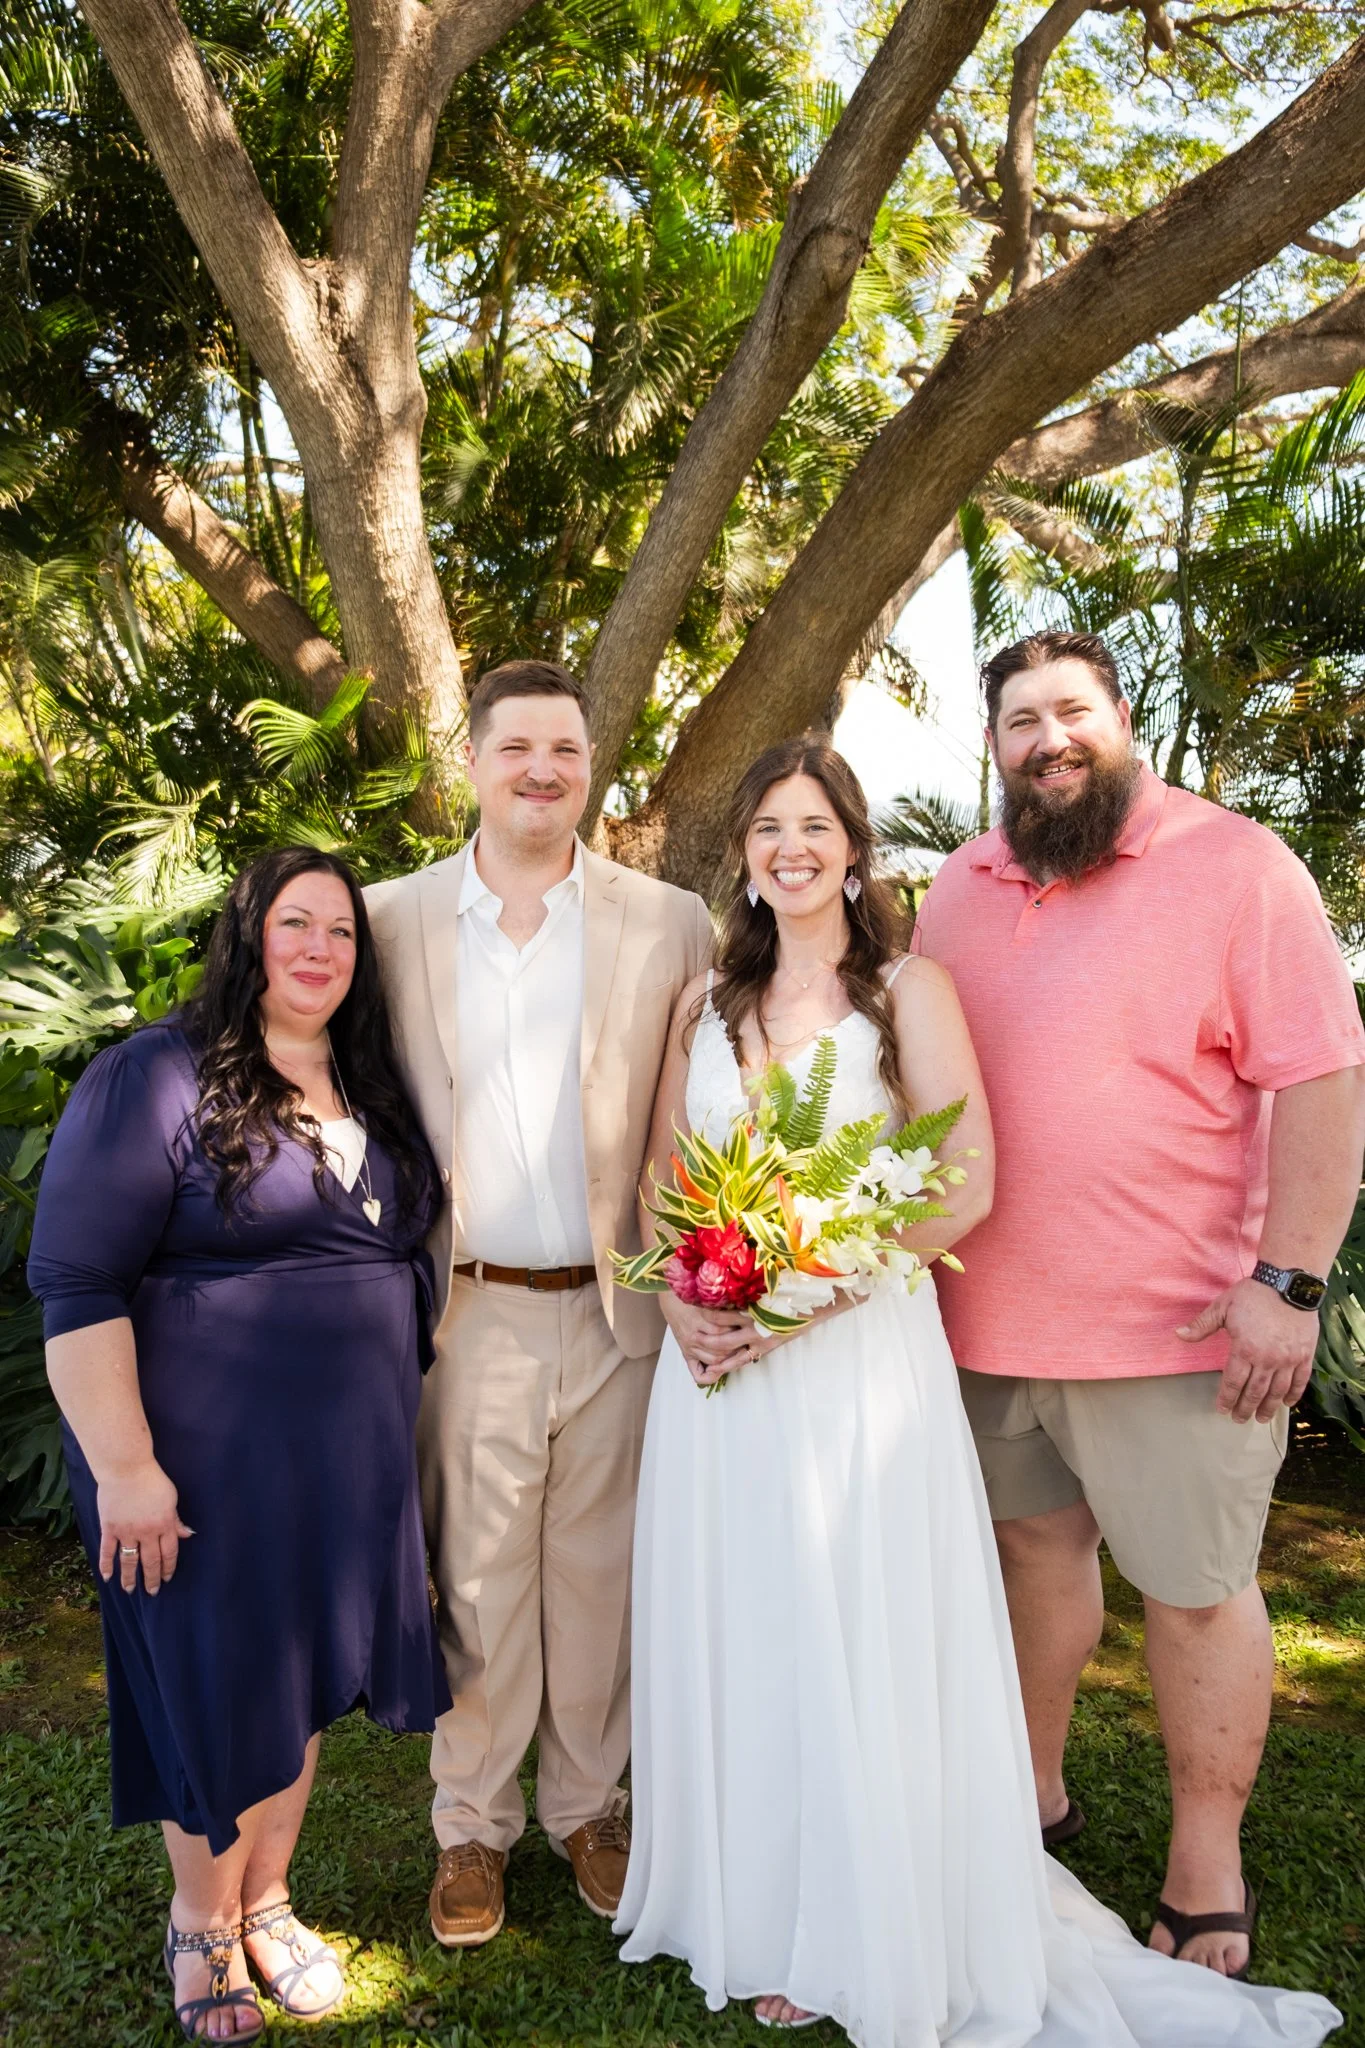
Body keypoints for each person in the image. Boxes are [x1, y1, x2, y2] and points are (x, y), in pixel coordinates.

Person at [616, 731, 1341, 2048]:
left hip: (851, 1359)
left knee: (851, 1619)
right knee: (746, 1611)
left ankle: (850, 1908)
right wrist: (683, 1297)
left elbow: (963, 1184)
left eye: (815, 826)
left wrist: (800, 1301)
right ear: (744, 856)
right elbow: (668, 1178)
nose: (790, 848)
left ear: (853, 851)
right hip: (714, 1371)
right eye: (768, 828)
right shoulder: (698, 1003)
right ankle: (749, 1891)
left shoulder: (910, 991)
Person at [910, 630, 1365, 1981]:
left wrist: (1288, 1283)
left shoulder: (1237, 867)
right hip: (983, 1327)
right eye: (1020, 721)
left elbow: (1324, 1076)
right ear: (992, 747)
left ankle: (1205, 1861)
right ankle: (1031, 1799)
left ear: (1122, 718)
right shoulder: (960, 886)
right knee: (1031, 1563)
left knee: (1196, 1591)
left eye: (1072, 711)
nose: (1048, 739)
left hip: (1180, 1335)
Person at [26, 849, 450, 2042]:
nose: (320, 947)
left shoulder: (366, 1079)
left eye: (342, 931)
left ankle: (268, 1897)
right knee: (218, 1686)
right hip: (203, 1461)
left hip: (345, 1463)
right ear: (247, 934)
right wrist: (126, 1468)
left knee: (298, 1681)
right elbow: (77, 1284)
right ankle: (201, 1920)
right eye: (294, 922)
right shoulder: (156, 1075)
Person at [364, 659, 713, 1949]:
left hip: (621, 1304)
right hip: (471, 1308)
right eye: (516, 746)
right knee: (478, 1575)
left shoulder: (669, 919)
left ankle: (589, 1805)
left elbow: (707, 1102)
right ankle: (471, 1821)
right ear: (471, 761)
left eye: (565, 748)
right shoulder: (389, 919)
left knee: (600, 1572)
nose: (542, 769)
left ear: (591, 764)